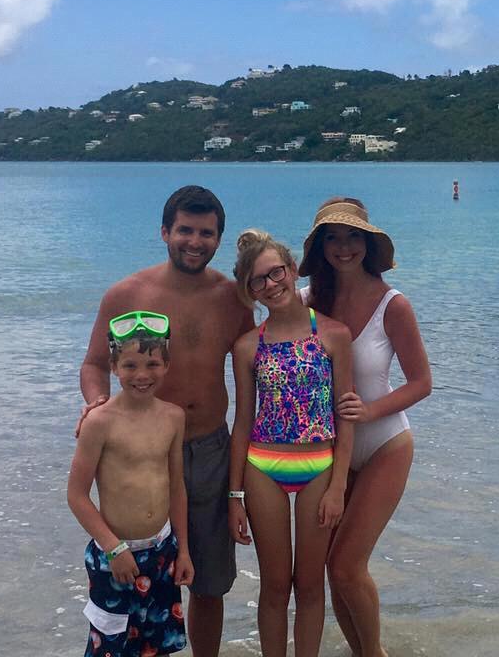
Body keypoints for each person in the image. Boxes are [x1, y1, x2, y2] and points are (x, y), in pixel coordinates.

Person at [77, 185, 253, 657]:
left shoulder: (233, 298)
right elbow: (95, 364)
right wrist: (96, 404)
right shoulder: (127, 293)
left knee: (209, 580)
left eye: (207, 233)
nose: (195, 241)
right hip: (141, 453)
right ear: (164, 232)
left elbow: (265, 355)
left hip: (209, 449)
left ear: (219, 238)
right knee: (132, 576)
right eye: (185, 231)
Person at [300, 198, 432, 657]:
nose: (343, 247)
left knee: (346, 567)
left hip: (384, 444)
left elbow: (422, 383)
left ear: (368, 243)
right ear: (319, 248)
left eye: (353, 236)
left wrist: (369, 413)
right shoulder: (306, 302)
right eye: (332, 238)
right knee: (331, 569)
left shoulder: (393, 304)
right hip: (330, 451)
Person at [228, 230, 353, 657]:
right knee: (276, 585)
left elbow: (344, 415)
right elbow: (242, 422)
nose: (270, 285)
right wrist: (234, 496)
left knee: (310, 583)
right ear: (249, 291)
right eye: (257, 281)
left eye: (275, 273)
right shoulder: (247, 346)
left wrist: (338, 486)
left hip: (320, 466)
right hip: (263, 468)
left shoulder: (334, 335)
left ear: (292, 269)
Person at [68, 312, 194, 656]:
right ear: (113, 366)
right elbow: (76, 496)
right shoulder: (99, 422)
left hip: (163, 551)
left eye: (152, 364)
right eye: (130, 365)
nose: (141, 375)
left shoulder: (173, 417)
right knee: (109, 646)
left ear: (166, 364)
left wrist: (182, 550)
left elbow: (176, 487)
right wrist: (113, 547)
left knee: (157, 645)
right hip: (115, 556)